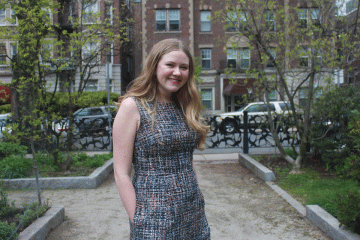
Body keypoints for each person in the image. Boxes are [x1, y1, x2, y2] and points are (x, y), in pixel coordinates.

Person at [113, 38, 211, 239]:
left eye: (184, 67)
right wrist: (138, 220)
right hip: (153, 219)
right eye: (170, 65)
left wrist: (197, 196)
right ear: (154, 66)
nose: (177, 72)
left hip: (192, 213)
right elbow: (121, 173)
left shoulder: (185, 105)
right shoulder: (133, 106)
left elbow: (186, 158)